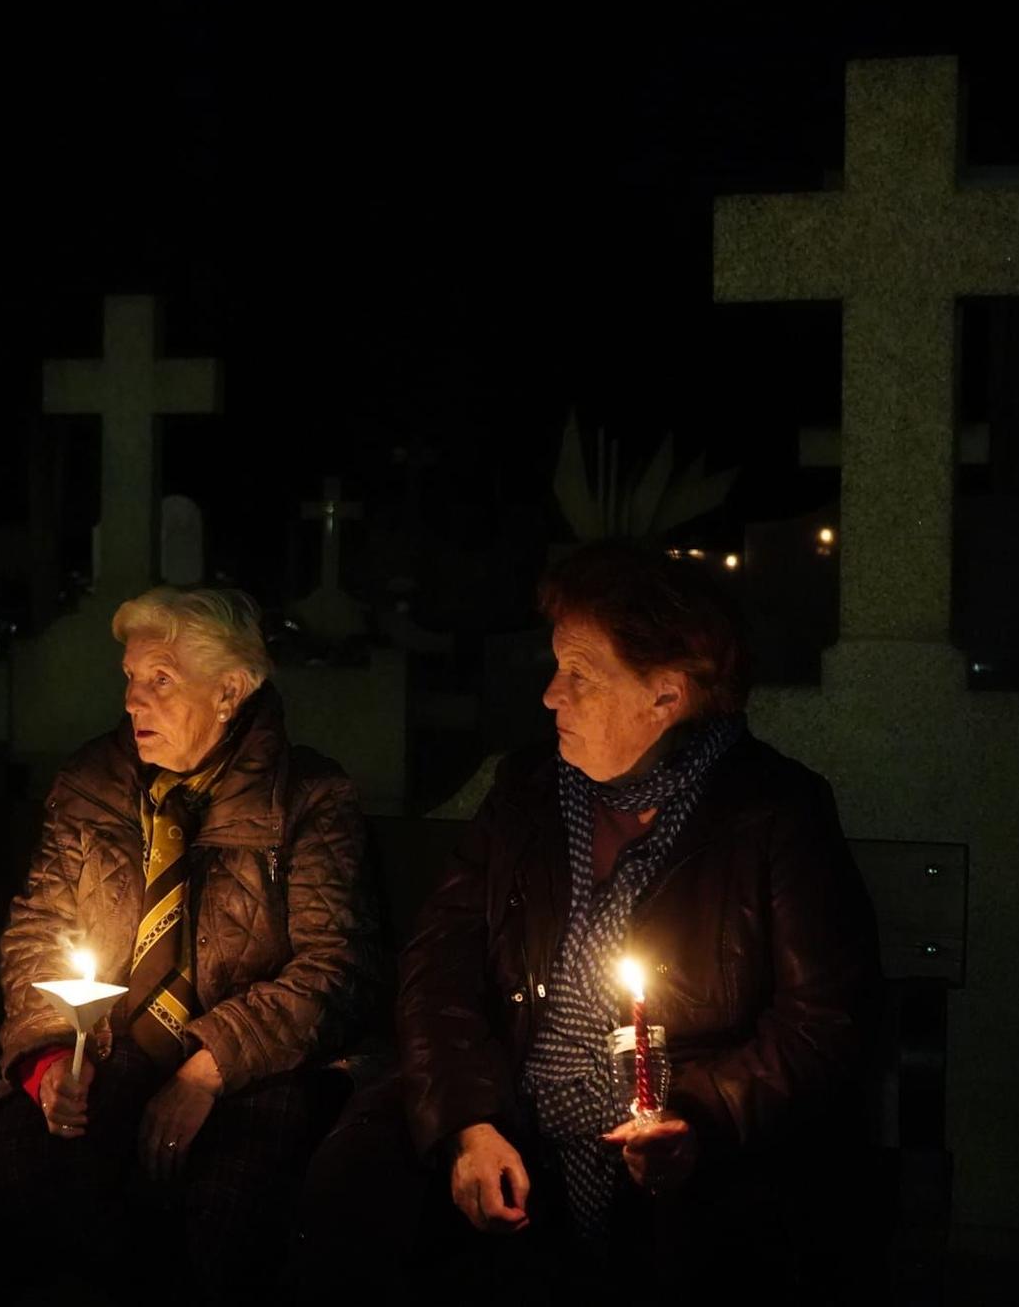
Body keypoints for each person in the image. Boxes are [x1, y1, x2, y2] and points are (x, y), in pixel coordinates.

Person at [297, 540, 881, 1301]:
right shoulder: (530, 794)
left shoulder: (773, 815)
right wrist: (470, 1123)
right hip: (506, 1101)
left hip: (684, 1135)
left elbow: (822, 1022)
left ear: (665, 697)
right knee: (355, 1184)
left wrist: (695, 1118)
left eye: (581, 674)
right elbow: (439, 964)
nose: (549, 695)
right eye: (555, 666)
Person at [0, 586, 385, 1301]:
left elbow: (334, 966)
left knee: (227, 1212)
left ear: (230, 691)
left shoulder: (307, 797)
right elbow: (38, 932)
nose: (134, 702)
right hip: (107, 1047)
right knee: (29, 1174)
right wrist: (48, 1062)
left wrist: (208, 1068)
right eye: (130, 679)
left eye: (160, 681)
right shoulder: (92, 783)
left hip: (253, 1069)